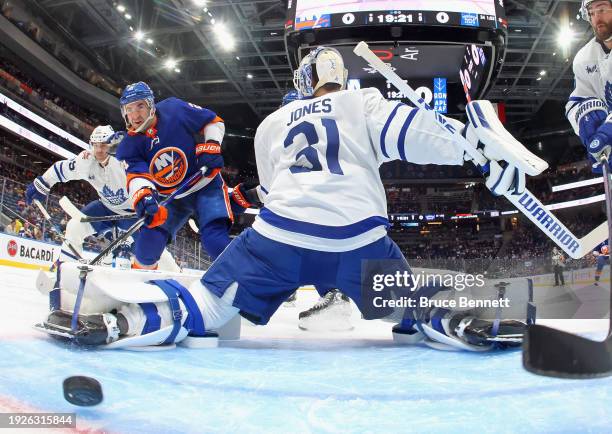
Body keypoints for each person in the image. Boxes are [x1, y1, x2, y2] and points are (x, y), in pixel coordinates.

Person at [41, 47, 543, 350]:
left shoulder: (272, 123)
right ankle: (460, 317)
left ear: (303, 83)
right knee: (405, 306)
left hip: (279, 238)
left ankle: (120, 320)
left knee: (208, 305)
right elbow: (425, 137)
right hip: (359, 242)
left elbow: (269, 191)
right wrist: (482, 155)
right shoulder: (361, 100)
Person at [25, 125, 178, 270]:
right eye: (95, 145)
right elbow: (60, 169)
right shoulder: (85, 161)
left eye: (104, 145)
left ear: (111, 145)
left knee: (152, 247)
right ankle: (65, 268)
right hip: (106, 208)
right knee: (74, 227)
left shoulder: (123, 160)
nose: (99, 150)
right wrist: (41, 184)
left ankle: (175, 273)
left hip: (133, 212)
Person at [115, 82, 233, 270]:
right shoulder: (128, 146)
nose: (135, 115)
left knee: (214, 241)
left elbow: (213, 120)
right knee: (147, 245)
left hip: (205, 185)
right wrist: (145, 198)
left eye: (140, 106)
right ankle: (141, 289)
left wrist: (211, 146)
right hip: (172, 198)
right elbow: (137, 176)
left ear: (151, 105)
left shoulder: (174, 109)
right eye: (129, 109)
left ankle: (250, 280)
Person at [566, 0, 612, 172]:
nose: (596, 18)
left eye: (601, 9)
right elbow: (576, 101)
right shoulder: (583, 58)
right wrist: (584, 116)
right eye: (591, 12)